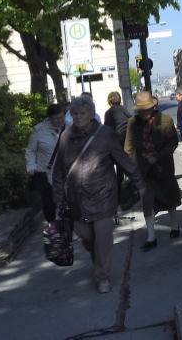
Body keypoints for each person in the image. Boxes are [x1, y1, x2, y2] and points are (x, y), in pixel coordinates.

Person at [53, 95, 154, 294]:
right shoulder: (66, 137)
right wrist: (57, 198)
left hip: (103, 197)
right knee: (85, 235)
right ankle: (98, 262)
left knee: (103, 238)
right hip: (77, 200)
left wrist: (140, 184)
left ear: (91, 115)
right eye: (75, 113)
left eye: (82, 113)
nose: (78, 116)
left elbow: (123, 160)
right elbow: (58, 171)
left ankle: (102, 276)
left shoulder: (104, 134)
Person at [124, 92, 180, 251]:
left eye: (146, 109)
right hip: (143, 170)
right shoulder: (132, 123)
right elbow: (128, 147)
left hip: (163, 167)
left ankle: (174, 225)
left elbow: (172, 143)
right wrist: (130, 168)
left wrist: (157, 157)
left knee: (169, 197)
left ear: (154, 107)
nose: (143, 113)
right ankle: (151, 237)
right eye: (140, 110)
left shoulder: (166, 121)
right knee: (147, 202)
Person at [26, 103, 67, 222]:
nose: (60, 120)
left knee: (69, 202)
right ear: (50, 118)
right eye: (57, 118)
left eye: (62, 117)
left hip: (66, 173)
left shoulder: (70, 127)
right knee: (49, 203)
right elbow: (30, 151)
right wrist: (31, 167)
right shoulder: (39, 130)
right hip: (46, 173)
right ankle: (52, 227)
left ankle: (69, 228)